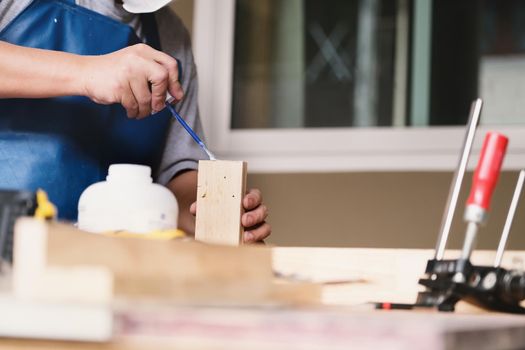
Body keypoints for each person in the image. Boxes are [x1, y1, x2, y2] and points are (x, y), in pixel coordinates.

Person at [0, 0, 271, 243]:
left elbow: (175, 174)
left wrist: (212, 213)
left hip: (114, 268)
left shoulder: (170, 37)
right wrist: (87, 72)